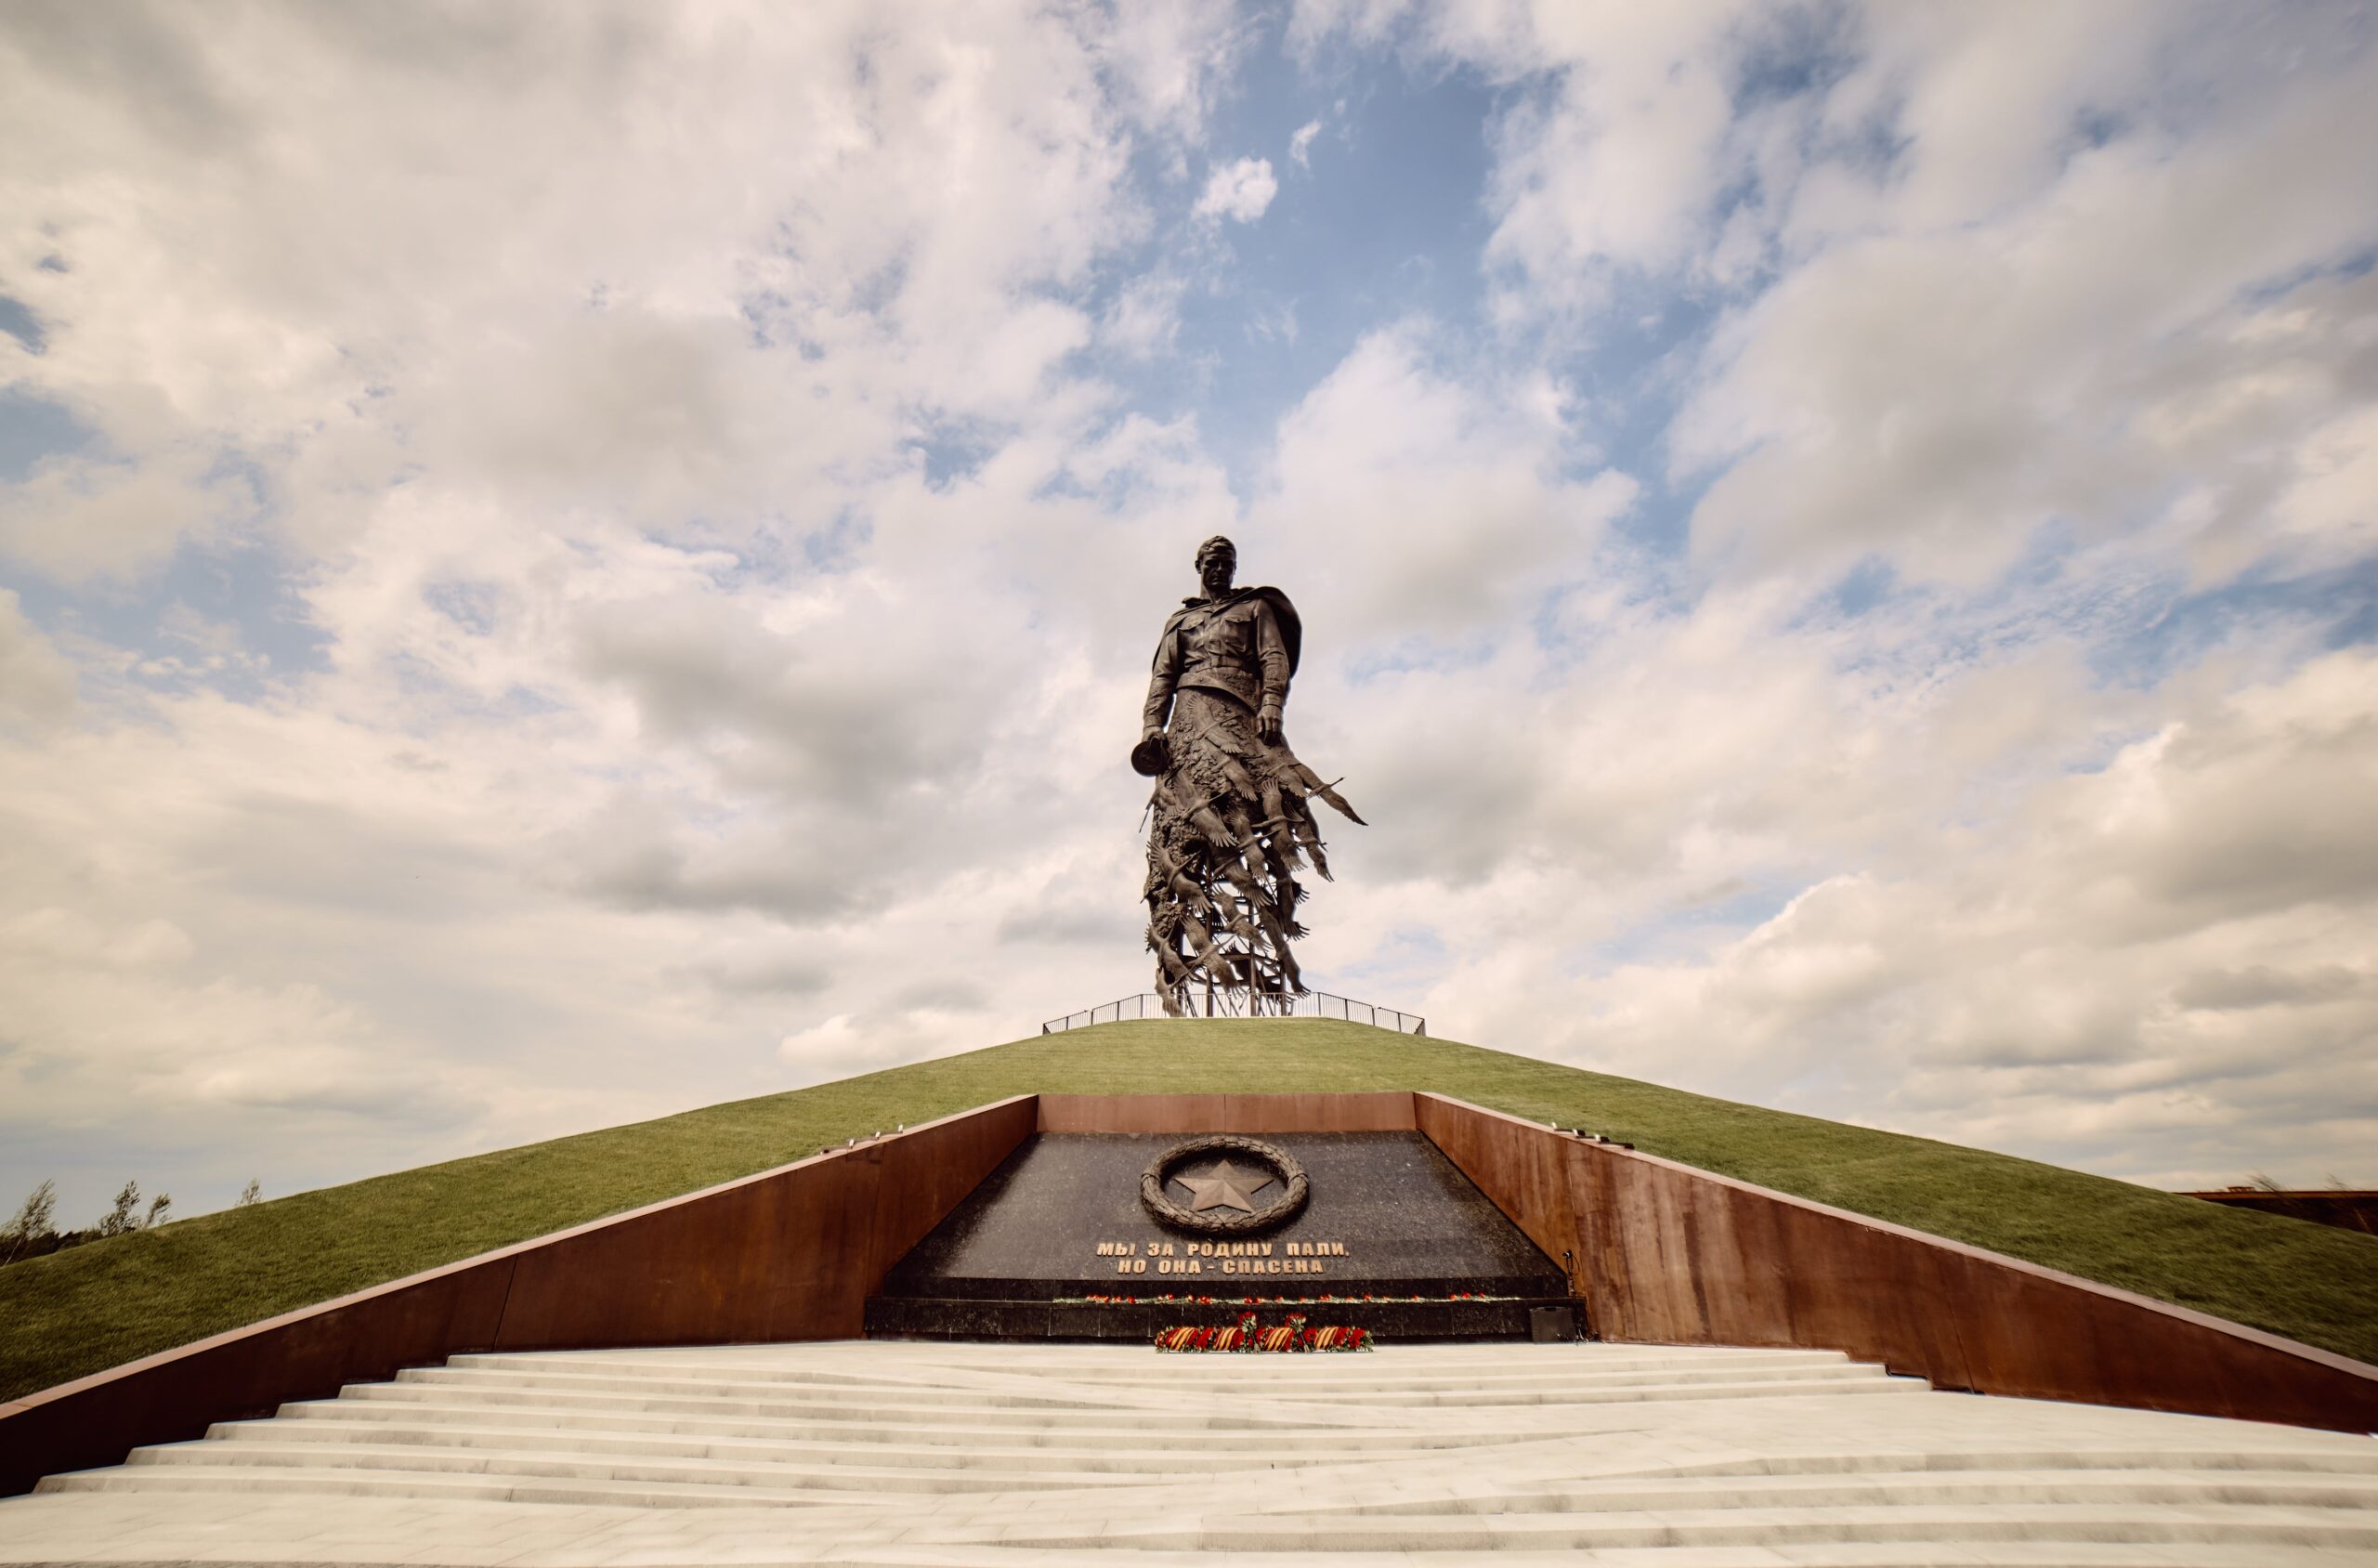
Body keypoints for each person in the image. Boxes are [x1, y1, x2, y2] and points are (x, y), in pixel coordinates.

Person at [1136, 537, 1360, 1015]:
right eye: (1211, 563)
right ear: (1198, 566)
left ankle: (1272, 942)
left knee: (1257, 805)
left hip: (1242, 717)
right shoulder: (1181, 622)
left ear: (1235, 568)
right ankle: (1180, 976)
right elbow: (1162, 678)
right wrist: (1152, 726)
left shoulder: (1255, 607)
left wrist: (1272, 702)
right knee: (1182, 833)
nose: (1219, 570)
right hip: (1190, 721)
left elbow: (1274, 660)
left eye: (1227, 564)